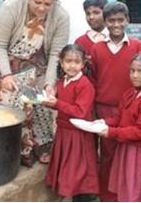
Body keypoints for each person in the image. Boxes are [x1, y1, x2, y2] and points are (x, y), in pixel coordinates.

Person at [0, 0, 69, 166]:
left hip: (42, 68)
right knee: (12, 103)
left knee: (44, 102)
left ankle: (42, 146)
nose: (42, 8)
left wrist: (50, 84)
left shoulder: (61, 16)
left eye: (48, 4)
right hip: (11, 66)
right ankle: (14, 152)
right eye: (38, 2)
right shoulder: (13, 6)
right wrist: (7, 75)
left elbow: (55, 54)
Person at [89, 1, 141, 201]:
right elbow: (92, 79)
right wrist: (94, 109)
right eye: (111, 20)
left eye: (120, 20)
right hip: (103, 109)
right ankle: (106, 196)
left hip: (130, 109)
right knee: (106, 155)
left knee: (128, 155)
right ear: (104, 22)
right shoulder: (97, 48)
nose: (115, 24)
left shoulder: (138, 47)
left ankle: (127, 194)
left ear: (127, 20)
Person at [92, 51, 141, 201]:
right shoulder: (130, 93)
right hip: (125, 149)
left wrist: (111, 132)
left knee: (136, 189)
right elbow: (118, 117)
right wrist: (104, 122)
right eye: (132, 71)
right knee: (126, 188)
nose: (135, 75)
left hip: (140, 153)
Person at [43, 44, 99, 202]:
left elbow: (80, 112)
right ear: (61, 62)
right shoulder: (62, 82)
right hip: (64, 132)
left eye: (76, 62)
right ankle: (67, 194)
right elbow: (59, 102)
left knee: (76, 168)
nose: (72, 65)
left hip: (78, 134)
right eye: (68, 61)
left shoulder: (85, 85)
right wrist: (46, 101)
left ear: (83, 64)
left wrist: (56, 104)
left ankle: (79, 196)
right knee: (67, 167)